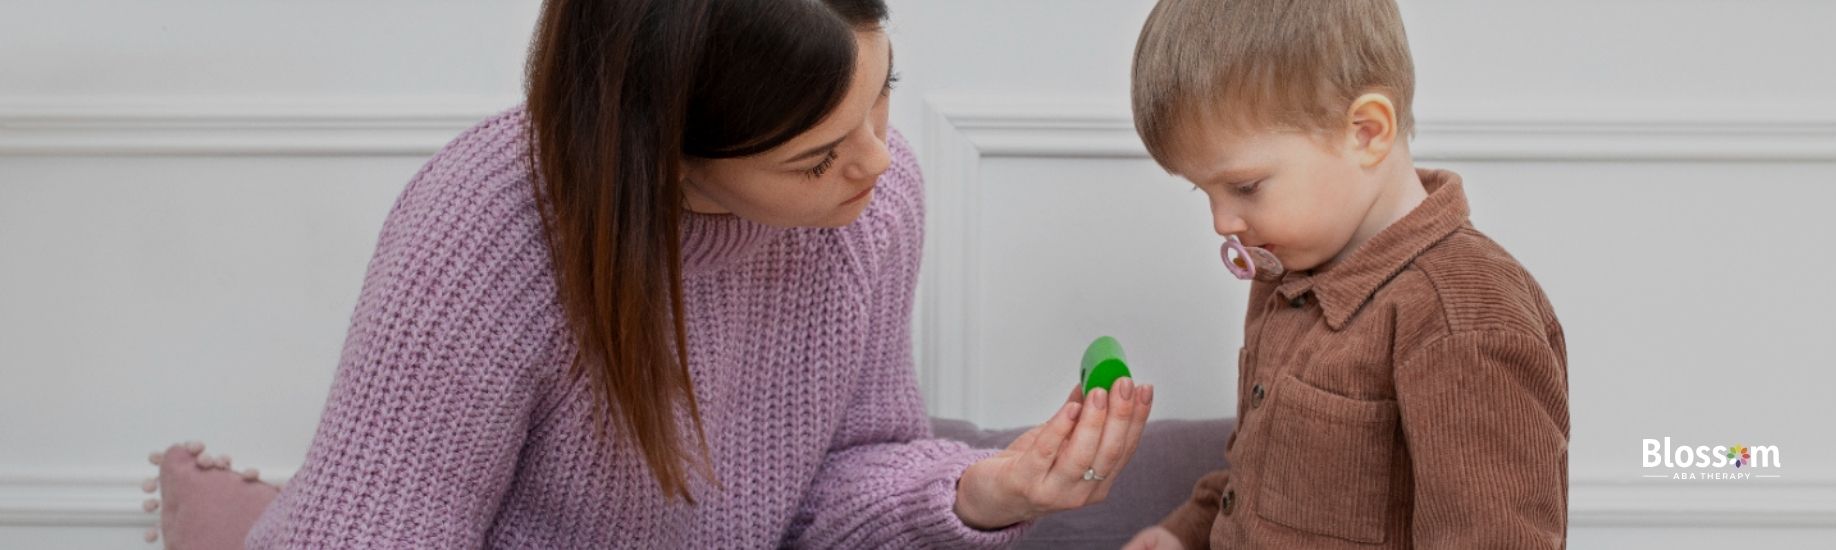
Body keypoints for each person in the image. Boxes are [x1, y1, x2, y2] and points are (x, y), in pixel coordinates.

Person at [142, 1, 1154, 547]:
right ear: (663, 161)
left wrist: (983, 490)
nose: (878, 165)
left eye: (883, 100)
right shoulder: (486, 227)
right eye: (815, 156)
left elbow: (837, 485)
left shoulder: (875, 210)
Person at [1121, 1, 1568, 548]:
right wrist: (1185, 535)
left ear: (1365, 132)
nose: (1222, 222)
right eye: (1203, 191)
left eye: (1244, 187)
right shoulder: (1284, 278)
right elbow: (1267, 469)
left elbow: (1493, 536)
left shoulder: (1461, 316)